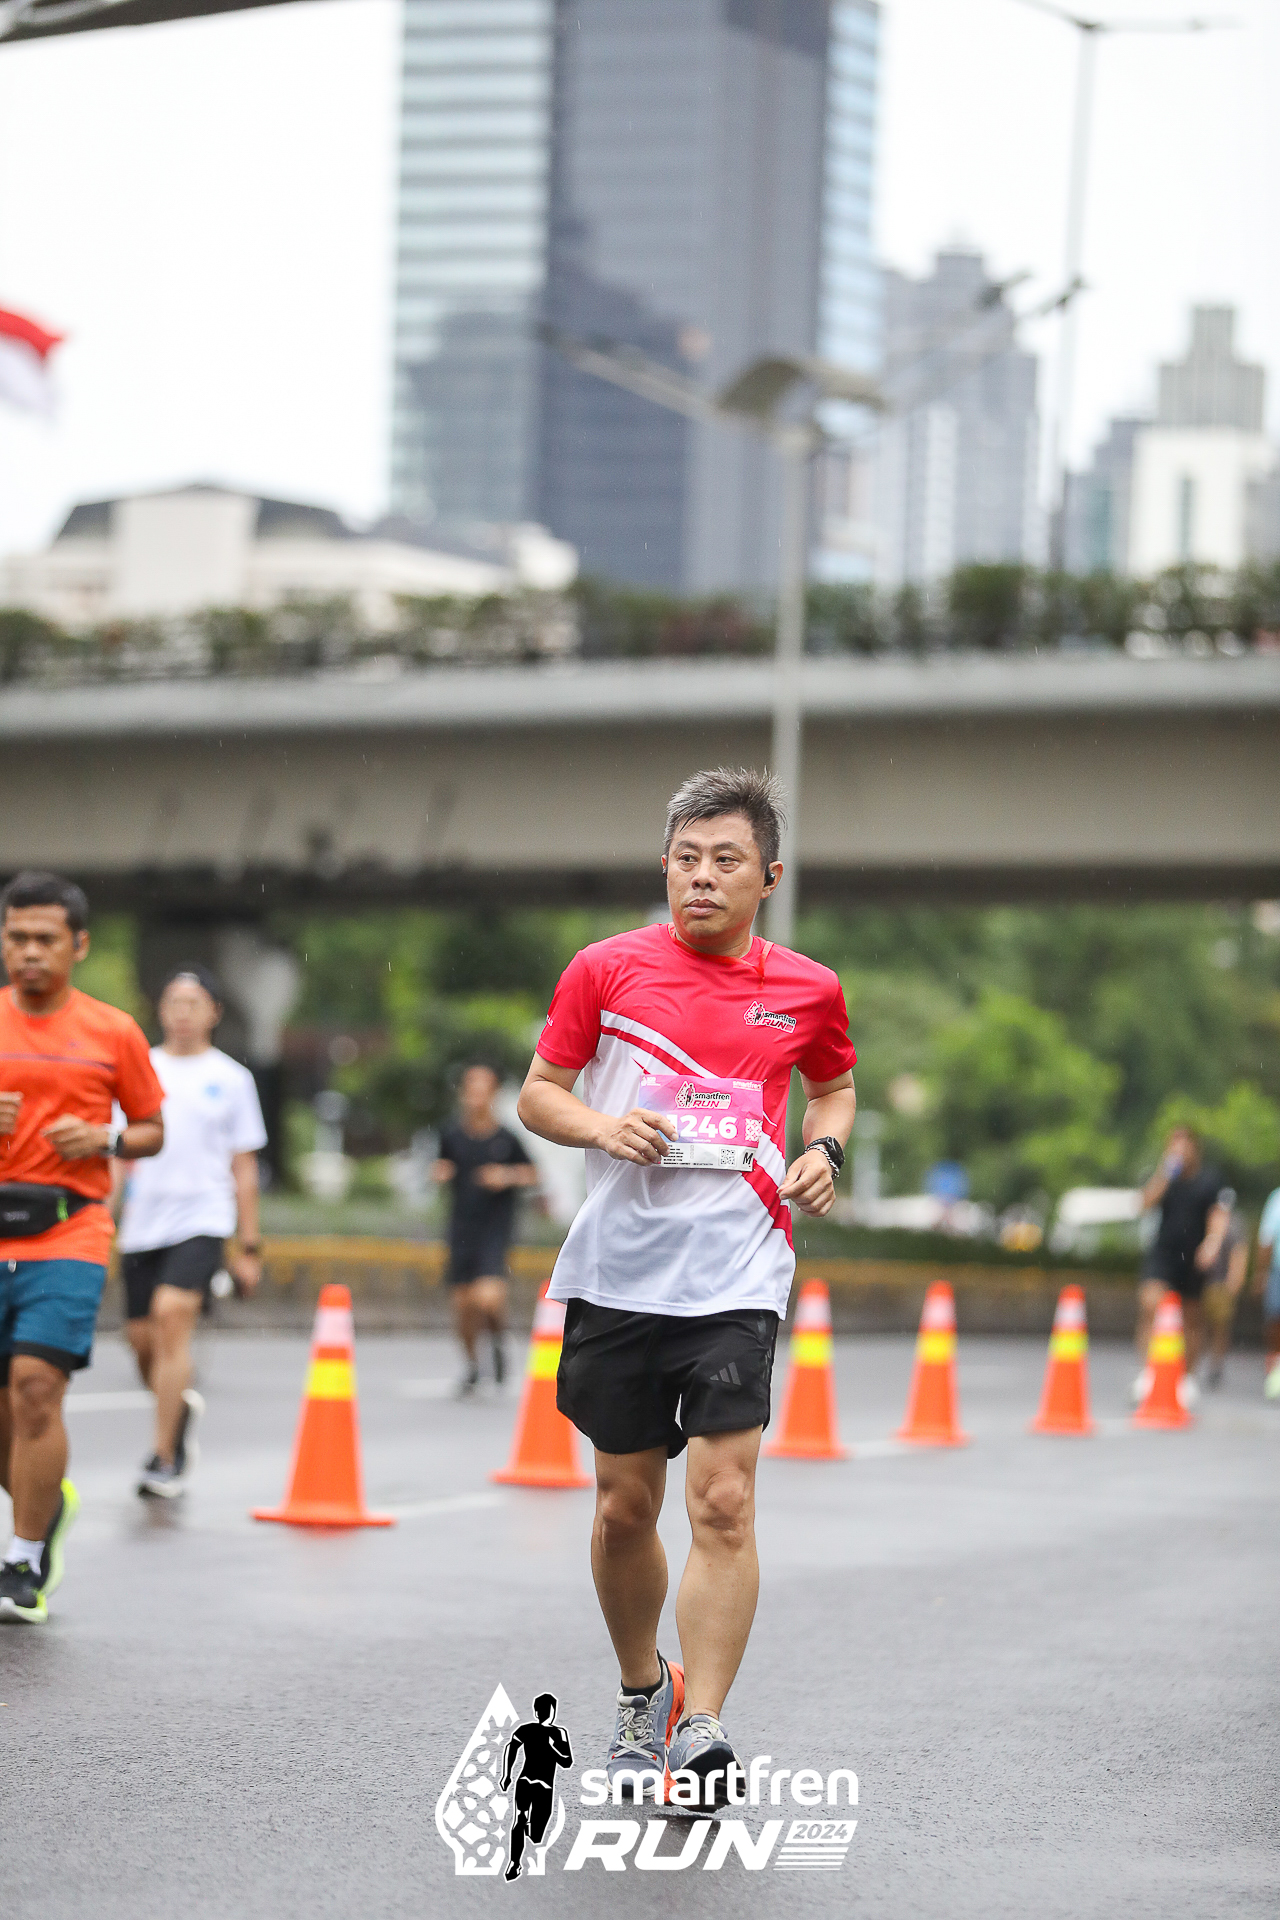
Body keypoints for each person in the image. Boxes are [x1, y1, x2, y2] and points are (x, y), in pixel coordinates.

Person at [517, 767, 856, 1810]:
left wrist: (825, 1151)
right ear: (664, 867)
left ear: (768, 879)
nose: (702, 877)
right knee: (625, 1509)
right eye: (686, 859)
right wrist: (600, 1126)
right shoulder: (605, 970)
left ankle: (702, 1723)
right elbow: (539, 1093)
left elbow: (834, 1088)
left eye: (725, 861)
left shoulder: (808, 989)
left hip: (738, 1272)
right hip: (620, 1273)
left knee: (723, 1499)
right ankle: (642, 1692)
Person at [0, 871, 164, 1623]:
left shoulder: (113, 1030)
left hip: (69, 1229)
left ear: (79, 945)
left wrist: (104, 1138)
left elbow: (152, 1129)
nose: (29, 952)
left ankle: (23, 1557)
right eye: (16, 938)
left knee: (36, 1387)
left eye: (45, 939)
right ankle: (44, 1500)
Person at [115, 964, 267, 1498]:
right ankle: (178, 1410)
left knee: (171, 1315)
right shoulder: (139, 1068)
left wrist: (249, 1245)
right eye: (174, 1002)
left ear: (214, 1013)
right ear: (160, 1010)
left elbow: (243, 1167)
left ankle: (164, 1456)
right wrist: (101, 1214)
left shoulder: (232, 1078)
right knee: (141, 1342)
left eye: (194, 1003)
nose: (182, 1013)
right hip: (142, 1223)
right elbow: (119, 1155)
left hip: (203, 1217)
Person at [433, 1064, 538, 1392]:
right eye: (471, 1090)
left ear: (493, 1095)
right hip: (461, 1228)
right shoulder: (451, 1135)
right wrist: (440, 1173)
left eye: (483, 1090)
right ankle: (472, 1365)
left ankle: (497, 1338)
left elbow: (533, 1174)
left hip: (495, 1229)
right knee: (463, 1306)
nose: (476, 1098)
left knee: (488, 1299)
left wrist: (505, 1176)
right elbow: (440, 1165)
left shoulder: (506, 1139)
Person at [1133, 1125, 1226, 1403]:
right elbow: (1144, 1203)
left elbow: (1218, 1216)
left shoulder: (1209, 1181)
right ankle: (1148, 1373)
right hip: (1164, 1253)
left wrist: (1212, 1244)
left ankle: (1187, 1376)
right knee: (1150, 1305)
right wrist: (1164, 1173)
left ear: (1195, 1149)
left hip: (1194, 1257)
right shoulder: (1165, 1177)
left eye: (1185, 1145)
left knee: (1191, 1317)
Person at [499, 1691, 573, 1882]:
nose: (546, 1713)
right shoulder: (527, 1729)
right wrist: (506, 1774)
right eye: (543, 1710)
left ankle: (526, 1830)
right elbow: (511, 1747)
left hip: (543, 1787)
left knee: (536, 1835)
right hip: (527, 1781)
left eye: (548, 1709)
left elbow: (567, 1762)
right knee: (519, 1817)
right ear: (537, 1712)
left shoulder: (559, 1733)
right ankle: (514, 1862)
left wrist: (551, 1747)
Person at [1197, 1187, 1249, 1388]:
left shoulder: (1234, 1226)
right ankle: (1202, 1361)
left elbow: (1239, 1254)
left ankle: (1216, 1364)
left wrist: (1234, 1281)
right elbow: (1203, 1258)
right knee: (1204, 1325)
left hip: (1222, 1283)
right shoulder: (1209, 1223)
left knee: (1220, 1326)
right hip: (1208, 1282)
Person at [1253, 1182, 1280, 1400]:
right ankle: (1276, 1367)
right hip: (1278, 1271)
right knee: (1274, 1319)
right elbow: (1266, 1239)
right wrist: (1261, 1272)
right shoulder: (1277, 1199)